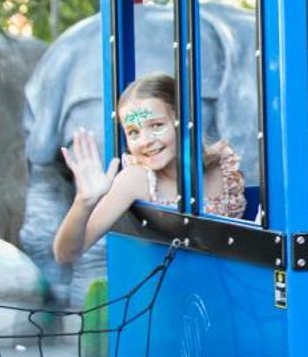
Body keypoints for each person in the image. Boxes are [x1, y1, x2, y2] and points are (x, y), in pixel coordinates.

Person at [53, 72, 245, 265]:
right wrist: (83, 202)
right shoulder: (136, 180)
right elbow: (66, 255)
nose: (145, 141)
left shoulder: (224, 166)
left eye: (156, 125)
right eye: (133, 132)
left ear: (185, 121)